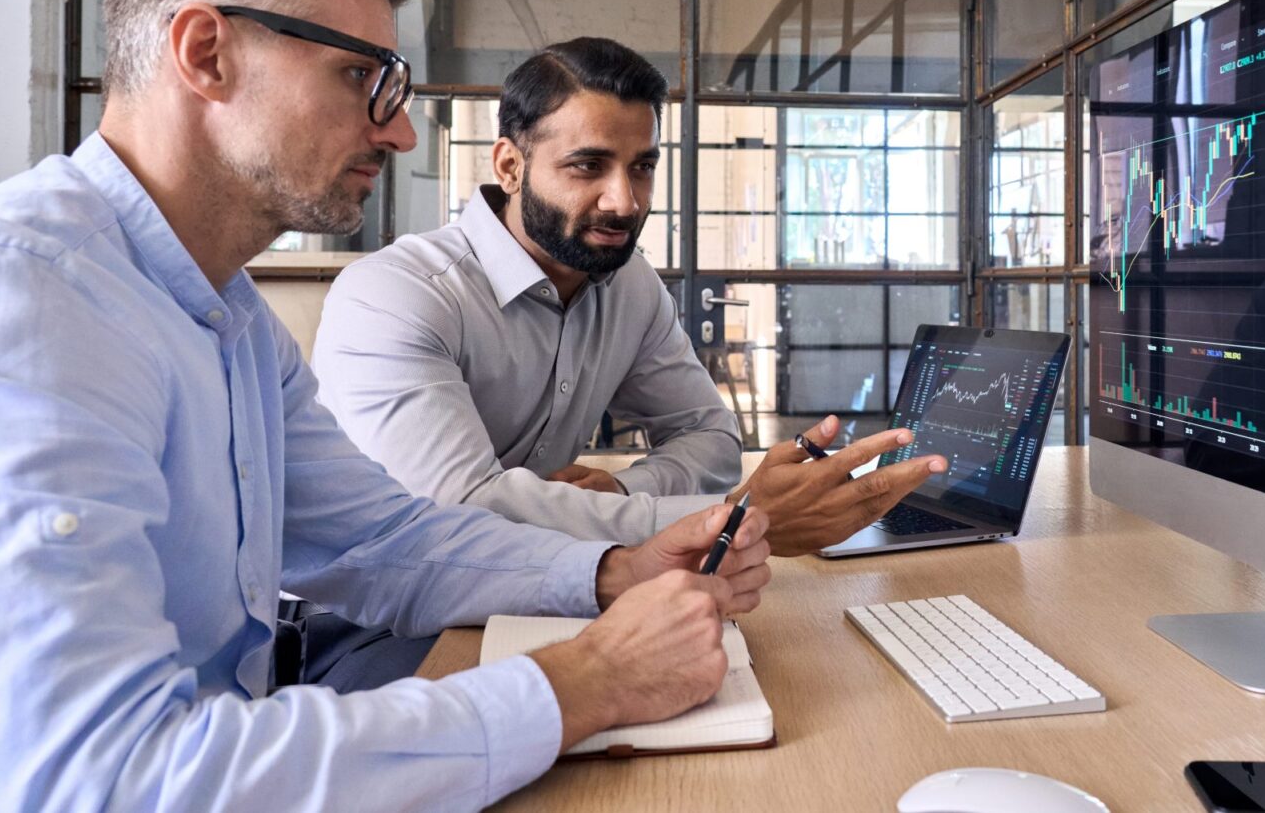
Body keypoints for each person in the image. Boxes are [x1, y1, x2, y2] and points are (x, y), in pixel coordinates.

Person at [0, 0, 771, 811]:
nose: (399, 132)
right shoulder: (38, 301)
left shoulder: (230, 317)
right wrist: (588, 682)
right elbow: (106, 776)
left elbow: (382, 539)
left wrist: (611, 571)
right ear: (207, 54)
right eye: (362, 78)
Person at [313, 39, 949, 553]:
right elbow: (459, 513)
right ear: (509, 166)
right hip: (371, 621)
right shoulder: (397, 296)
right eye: (587, 166)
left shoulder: (629, 283)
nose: (626, 201)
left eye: (641, 166)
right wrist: (730, 517)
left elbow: (710, 437)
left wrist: (623, 495)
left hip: (538, 588)